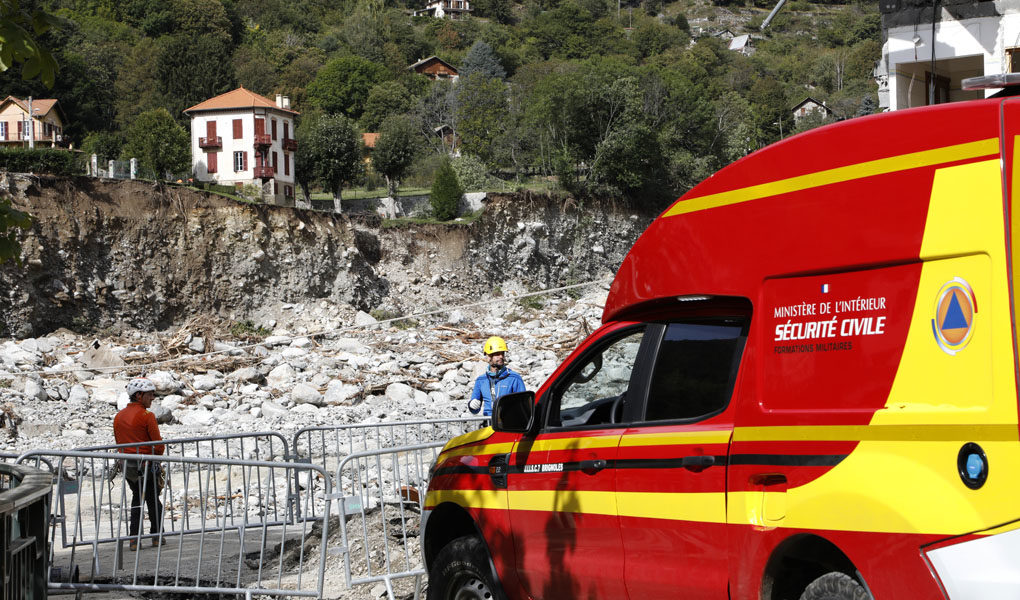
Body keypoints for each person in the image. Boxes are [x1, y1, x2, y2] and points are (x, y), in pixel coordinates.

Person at [114, 377, 166, 550]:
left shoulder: (119, 416)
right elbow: (158, 446)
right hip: (147, 466)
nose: (152, 398)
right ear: (139, 395)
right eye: (150, 394)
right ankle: (155, 536)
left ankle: (135, 539)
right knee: (152, 500)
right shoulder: (147, 416)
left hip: (128, 467)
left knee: (138, 499)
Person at [468, 336, 526, 418]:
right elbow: (475, 410)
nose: (501, 356)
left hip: (508, 425)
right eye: (497, 354)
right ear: (488, 356)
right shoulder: (481, 380)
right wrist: (472, 405)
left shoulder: (514, 378)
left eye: (502, 353)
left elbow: (523, 406)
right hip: (489, 425)